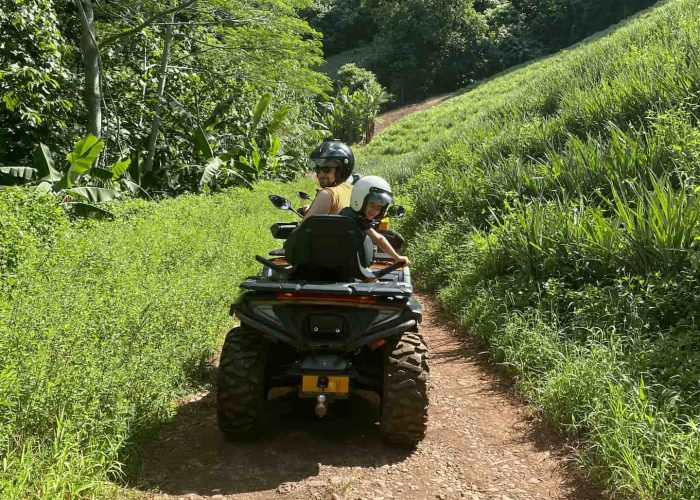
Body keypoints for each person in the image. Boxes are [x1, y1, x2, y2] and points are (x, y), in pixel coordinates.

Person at [340, 175, 410, 266]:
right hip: (352, 265)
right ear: (360, 200)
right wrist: (397, 257)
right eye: (372, 205)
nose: (375, 211)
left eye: (379, 207)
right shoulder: (359, 219)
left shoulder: (346, 212)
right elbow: (379, 239)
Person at [302, 139, 354, 219]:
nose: (320, 175)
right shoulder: (351, 189)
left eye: (326, 169)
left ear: (341, 170)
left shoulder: (326, 194)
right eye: (318, 169)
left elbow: (302, 231)